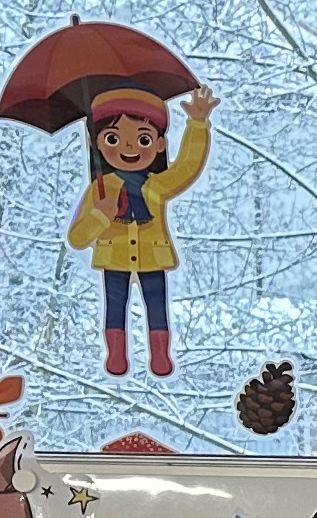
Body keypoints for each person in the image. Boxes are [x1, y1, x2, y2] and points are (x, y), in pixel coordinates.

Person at [66, 82, 214, 377]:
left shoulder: (157, 186)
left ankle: (160, 354)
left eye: (143, 139)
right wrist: (99, 215)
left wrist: (198, 124)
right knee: (115, 307)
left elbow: (187, 166)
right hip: (113, 258)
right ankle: (115, 354)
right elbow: (77, 237)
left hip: (153, 257)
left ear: (159, 145)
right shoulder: (99, 190)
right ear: (96, 143)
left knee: (156, 306)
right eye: (113, 138)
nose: (129, 147)